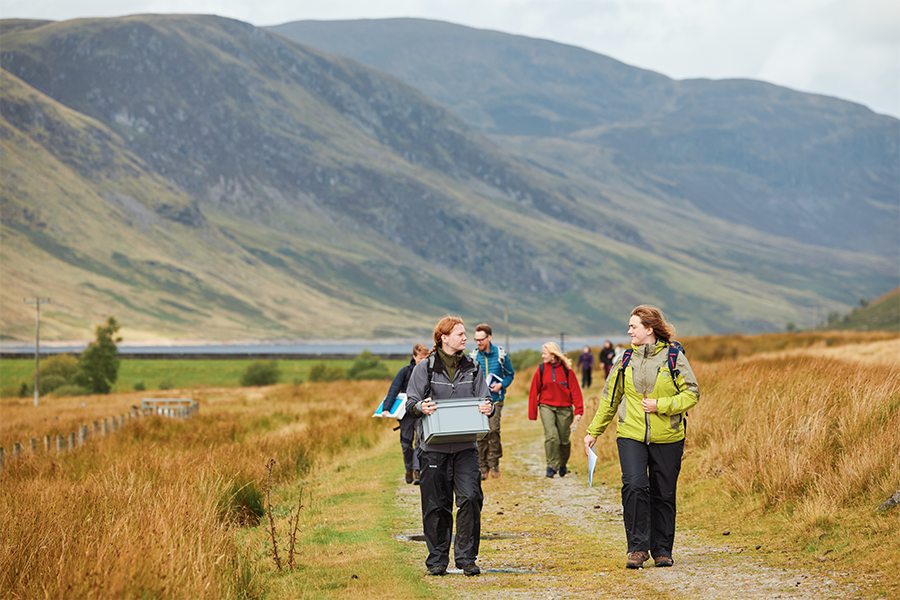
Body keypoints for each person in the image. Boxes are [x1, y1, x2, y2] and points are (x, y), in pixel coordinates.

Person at [583, 305, 699, 569]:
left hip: (668, 435)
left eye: (633, 326)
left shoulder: (673, 357)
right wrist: (593, 432)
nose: (629, 331)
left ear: (649, 329)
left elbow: (692, 393)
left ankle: (662, 550)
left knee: (664, 493)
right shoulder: (625, 360)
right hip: (631, 434)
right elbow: (610, 399)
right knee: (634, 487)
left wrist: (662, 405)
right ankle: (637, 549)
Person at [405, 316, 494, 577]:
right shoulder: (424, 369)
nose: (465, 338)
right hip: (433, 449)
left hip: (466, 447)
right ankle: (437, 560)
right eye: (460, 334)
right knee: (436, 504)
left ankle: (466, 558)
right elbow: (411, 403)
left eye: (465, 334)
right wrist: (421, 407)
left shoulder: (474, 367)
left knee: (471, 498)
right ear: (443, 338)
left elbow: (485, 398)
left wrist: (488, 407)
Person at [528, 342, 584, 478]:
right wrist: (533, 413)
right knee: (551, 437)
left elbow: (575, 391)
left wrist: (579, 411)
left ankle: (562, 463)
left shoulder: (567, 370)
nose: (542, 356)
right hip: (546, 406)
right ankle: (551, 466)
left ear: (553, 355)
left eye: (545, 353)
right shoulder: (541, 369)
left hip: (565, 408)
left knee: (564, 440)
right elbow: (534, 391)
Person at [469, 323, 515, 480]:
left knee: (493, 430)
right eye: (476, 340)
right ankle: (482, 467)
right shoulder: (473, 357)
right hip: (478, 401)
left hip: (496, 400)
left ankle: (494, 463)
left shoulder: (501, 354)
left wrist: (501, 384)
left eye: (481, 339)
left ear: (489, 337)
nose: (478, 343)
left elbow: (510, 375)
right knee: (480, 434)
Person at [383, 343, 430, 485]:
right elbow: (393, 390)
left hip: (423, 413)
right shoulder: (405, 372)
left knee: (420, 441)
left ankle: (417, 471)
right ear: (414, 357)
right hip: (406, 414)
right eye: (420, 358)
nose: (423, 361)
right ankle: (408, 469)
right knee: (406, 443)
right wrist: (386, 408)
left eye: (425, 358)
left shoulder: (430, 371)